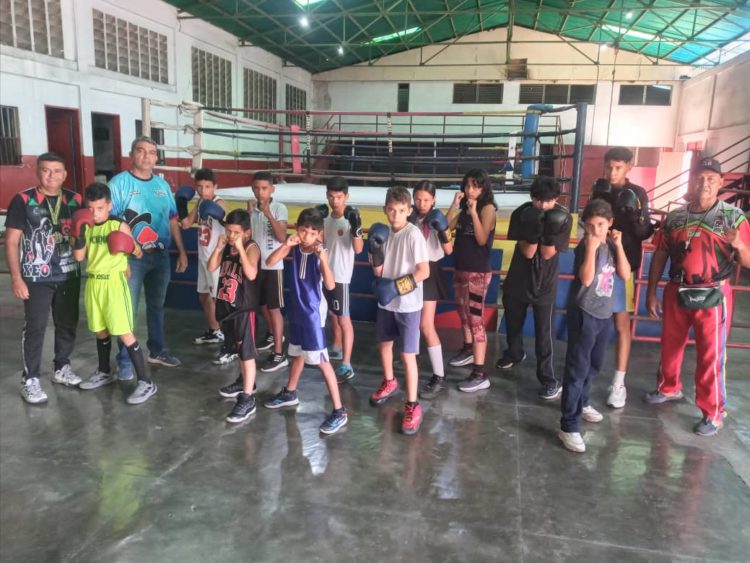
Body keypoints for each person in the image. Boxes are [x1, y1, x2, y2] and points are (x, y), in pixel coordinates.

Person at [645, 158, 750, 436]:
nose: (704, 184)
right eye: (700, 178)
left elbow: (748, 261)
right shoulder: (676, 217)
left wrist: (738, 244)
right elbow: (661, 254)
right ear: (692, 181)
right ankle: (669, 388)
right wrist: (651, 292)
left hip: (713, 294)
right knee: (670, 344)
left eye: (711, 179)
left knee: (710, 355)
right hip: (676, 289)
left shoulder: (734, 218)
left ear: (721, 182)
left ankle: (713, 412)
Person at [5, 152, 83, 403]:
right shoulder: (23, 200)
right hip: (36, 276)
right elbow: (12, 242)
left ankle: (62, 367)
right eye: (46, 170)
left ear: (65, 174)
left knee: (67, 323)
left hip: (69, 273)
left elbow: (85, 235)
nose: (51, 176)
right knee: (36, 326)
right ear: (38, 171)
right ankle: (30, 379)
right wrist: (16, 278)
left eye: (57, 171)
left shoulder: (75, 199)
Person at [263, 208, 348, 435]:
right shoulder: (295, 248)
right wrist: (286, 245)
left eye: (312, 233)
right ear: (297, 230)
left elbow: (330, 286)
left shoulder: (321, 252)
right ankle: (290, 392)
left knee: (322, 361)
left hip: (312, 314)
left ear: (319, 234)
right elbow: (271, 261)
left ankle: (339, 410)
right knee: (298, 353)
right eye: (303, 231)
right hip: (297, 310)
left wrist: (323, 259)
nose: (307, 236)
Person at [109, 136, 188, 378]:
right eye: (141, 151)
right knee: (127, 311)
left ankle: (157, 350)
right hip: (130, 258)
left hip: (160, 255)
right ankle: (124, 360)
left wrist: (182, 251)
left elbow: (172, 219)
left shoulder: (162, 185)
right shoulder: (118, 184)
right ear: (132, 154)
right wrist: (121, 257)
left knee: (157, 305)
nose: (146, 156)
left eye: (151, 152)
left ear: (156, 157)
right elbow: (110, 222)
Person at [73, 183, 157, 404]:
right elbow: (80, 258)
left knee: (124, 332)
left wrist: (127, 247)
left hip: (113, 284)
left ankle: (146, 382)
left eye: (100, 208)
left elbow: (138, 252)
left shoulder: (118, 225)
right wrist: (79, 233)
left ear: (109, 205)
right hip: (93, 284)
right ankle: (104, 372)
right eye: (91, 209)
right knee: (100, 331)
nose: (95, 213)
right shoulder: (86, 224)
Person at [559, 199, 630, 453]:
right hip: (584, 313)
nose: (595, 230)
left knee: (594, 364)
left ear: (610, 223)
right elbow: (587, 278)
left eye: (600, 225)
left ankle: (583, 402)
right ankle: (568, 424)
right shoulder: (585, 246)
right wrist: (590, 248)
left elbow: (625, 274)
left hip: (604, 314)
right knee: (577, 368)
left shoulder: (611, 244)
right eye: (590, 226)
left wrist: (619, 246)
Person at [590, 147, 654, 408]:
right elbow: (589, 222)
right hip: (596, 262)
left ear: (629, 166)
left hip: (621, 267)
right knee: (590, 319)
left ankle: (618, 383)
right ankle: (585, 373)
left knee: (620, 322)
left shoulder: (637, 193)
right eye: (609, 167)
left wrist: (634, 218)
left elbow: (643, 233)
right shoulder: (600, 189)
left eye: (618, 167)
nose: (612, 172)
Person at [498, 176, 572, 400]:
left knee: (544, 334)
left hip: (545, 283)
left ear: (556, 200)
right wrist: (534, 227)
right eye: (538, 201)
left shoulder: (563, 218)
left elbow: (547, 253)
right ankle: (515, 353)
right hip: (519, 277)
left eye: (548, 202)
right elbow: (528, 252)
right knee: (513, 321)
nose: (542, 206)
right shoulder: (522, 213)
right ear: (532, 198)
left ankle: (549, 379)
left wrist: (548, 228)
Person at [368, 186, 430, 434]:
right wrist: (375, 252)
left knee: (407, 355)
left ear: (409, 210)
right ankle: (390, 381)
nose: (395, 215)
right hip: (387, 302)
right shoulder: (383, 233)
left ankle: (413, 405)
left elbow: (424, 271)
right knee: (384, 344)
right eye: (391, 210)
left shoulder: (413, 235)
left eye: (401, 211)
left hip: (408, 305)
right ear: (385, 210)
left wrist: (397, 287)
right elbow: (378, 273)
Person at [208, 210, 262, 424]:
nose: (231, 236)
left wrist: (239, 247)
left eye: (236, 233)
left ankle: (248, 399)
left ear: (246, 232)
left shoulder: (251, 247)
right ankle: (244, 382)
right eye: (228, 232)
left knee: (247, 354)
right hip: (227, 307)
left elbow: (251, 273)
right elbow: (211, 266)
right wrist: (220, 247)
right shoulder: (227, 246)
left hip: (243, 309)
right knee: (239, 351)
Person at [446, 169, 498, 392]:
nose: (470, 190)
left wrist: (474, 213)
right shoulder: (465, 208)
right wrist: (455, 205)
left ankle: (480, 373)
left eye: (475, 186)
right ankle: (468, 350)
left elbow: (481, 238)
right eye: (467, 185)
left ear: (483, 188)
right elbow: (445, 226)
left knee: (476, 319)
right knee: (463, 312)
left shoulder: (487, 209)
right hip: (460, 267)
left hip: (477, 272)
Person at [407, 180, 453, 399]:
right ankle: (412, 359)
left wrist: (443, 229)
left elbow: (449, 249)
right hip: (410, 271)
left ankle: (439, 376)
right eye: (418, 198)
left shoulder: (437, 218)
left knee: (426, 325)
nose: (421, 203)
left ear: (433, 200)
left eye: (426, 199)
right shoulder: (410, 217)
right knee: (411, 321)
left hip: (430, 272)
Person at [321, 176, 364, 383]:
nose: (335, 201)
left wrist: (356, 226)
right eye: (331, 196)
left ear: (346, 196)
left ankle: (347, 364)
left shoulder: (351, 218)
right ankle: (337, 348)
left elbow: (358, 249)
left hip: (341, 277)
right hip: (326, 274)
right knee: (333, 315)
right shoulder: (326, 219)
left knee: (344, 319)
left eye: (339, 197)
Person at [178, 168, 227, 346]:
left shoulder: (219, 202)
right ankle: (215, 331)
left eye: (207, 187)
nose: (203, 190)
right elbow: (185, 224)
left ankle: (231, 336)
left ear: (215, 187)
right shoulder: (199, 203)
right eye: (200, 187)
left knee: (218, 299)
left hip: (216, 259)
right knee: (204, 296)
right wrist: (181, 203)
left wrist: (219, 215)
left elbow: (227, 220)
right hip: (203, 258)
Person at [247, 171, 289, 373]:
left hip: (273, 267)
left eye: (264, 188)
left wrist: (268, 214)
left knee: (274, 309)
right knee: (260, 305)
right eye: (256, 188)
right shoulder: (252, 209)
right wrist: (249, 215)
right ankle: (273, 334)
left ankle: (279, 354)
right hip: (256, 265)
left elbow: (282, 237)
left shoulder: (279, 208)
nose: (260, 192)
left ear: (272, 189)